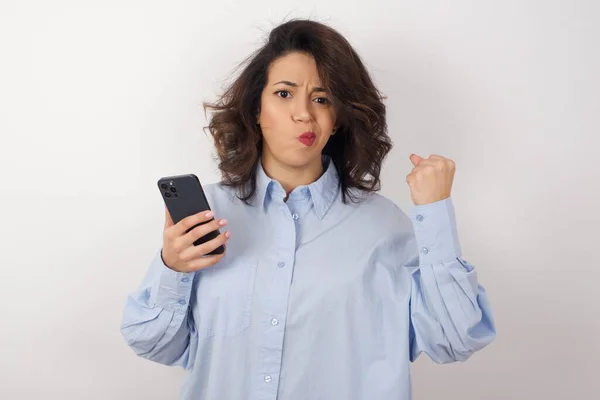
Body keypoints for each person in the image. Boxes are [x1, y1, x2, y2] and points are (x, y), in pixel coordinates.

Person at [120, 18, 496, 400]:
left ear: (337, 120)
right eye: (284, 94)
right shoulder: (206, 216)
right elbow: (153, 344)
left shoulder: (386, 227)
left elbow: (455, 340)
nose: (304, 114)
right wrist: (173, 269)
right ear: (255, 109)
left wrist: (434, 214)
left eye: (322, 98)